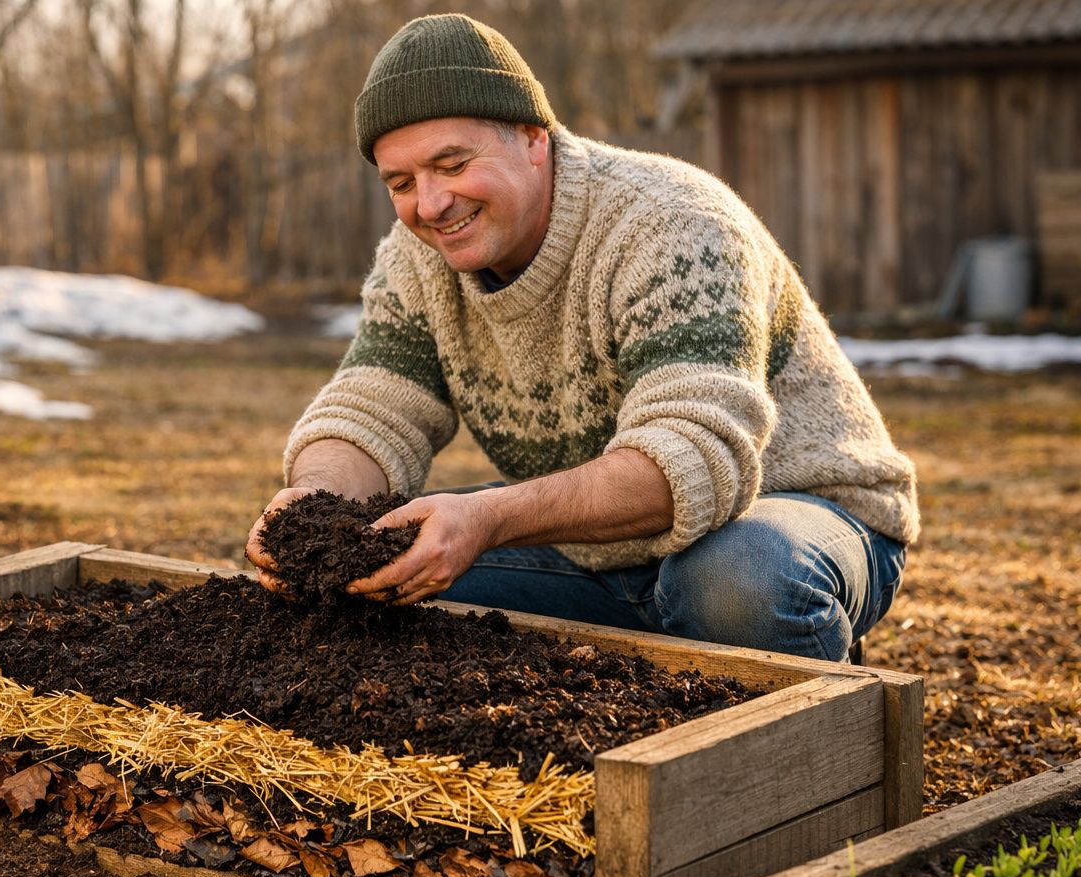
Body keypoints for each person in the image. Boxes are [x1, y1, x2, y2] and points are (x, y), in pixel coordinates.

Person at [245, 13, 918, 663]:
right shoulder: (417, 258)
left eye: (451, 164)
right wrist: (315, 505)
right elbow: (372, 407)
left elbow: (686, 460)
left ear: (532, 137)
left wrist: (490, 519)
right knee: (369, 582)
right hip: (594, 548)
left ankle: (812, 713)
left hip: (789, 514)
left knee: (733, 583)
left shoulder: (671, 225)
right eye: (401, 182)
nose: (430, 204)